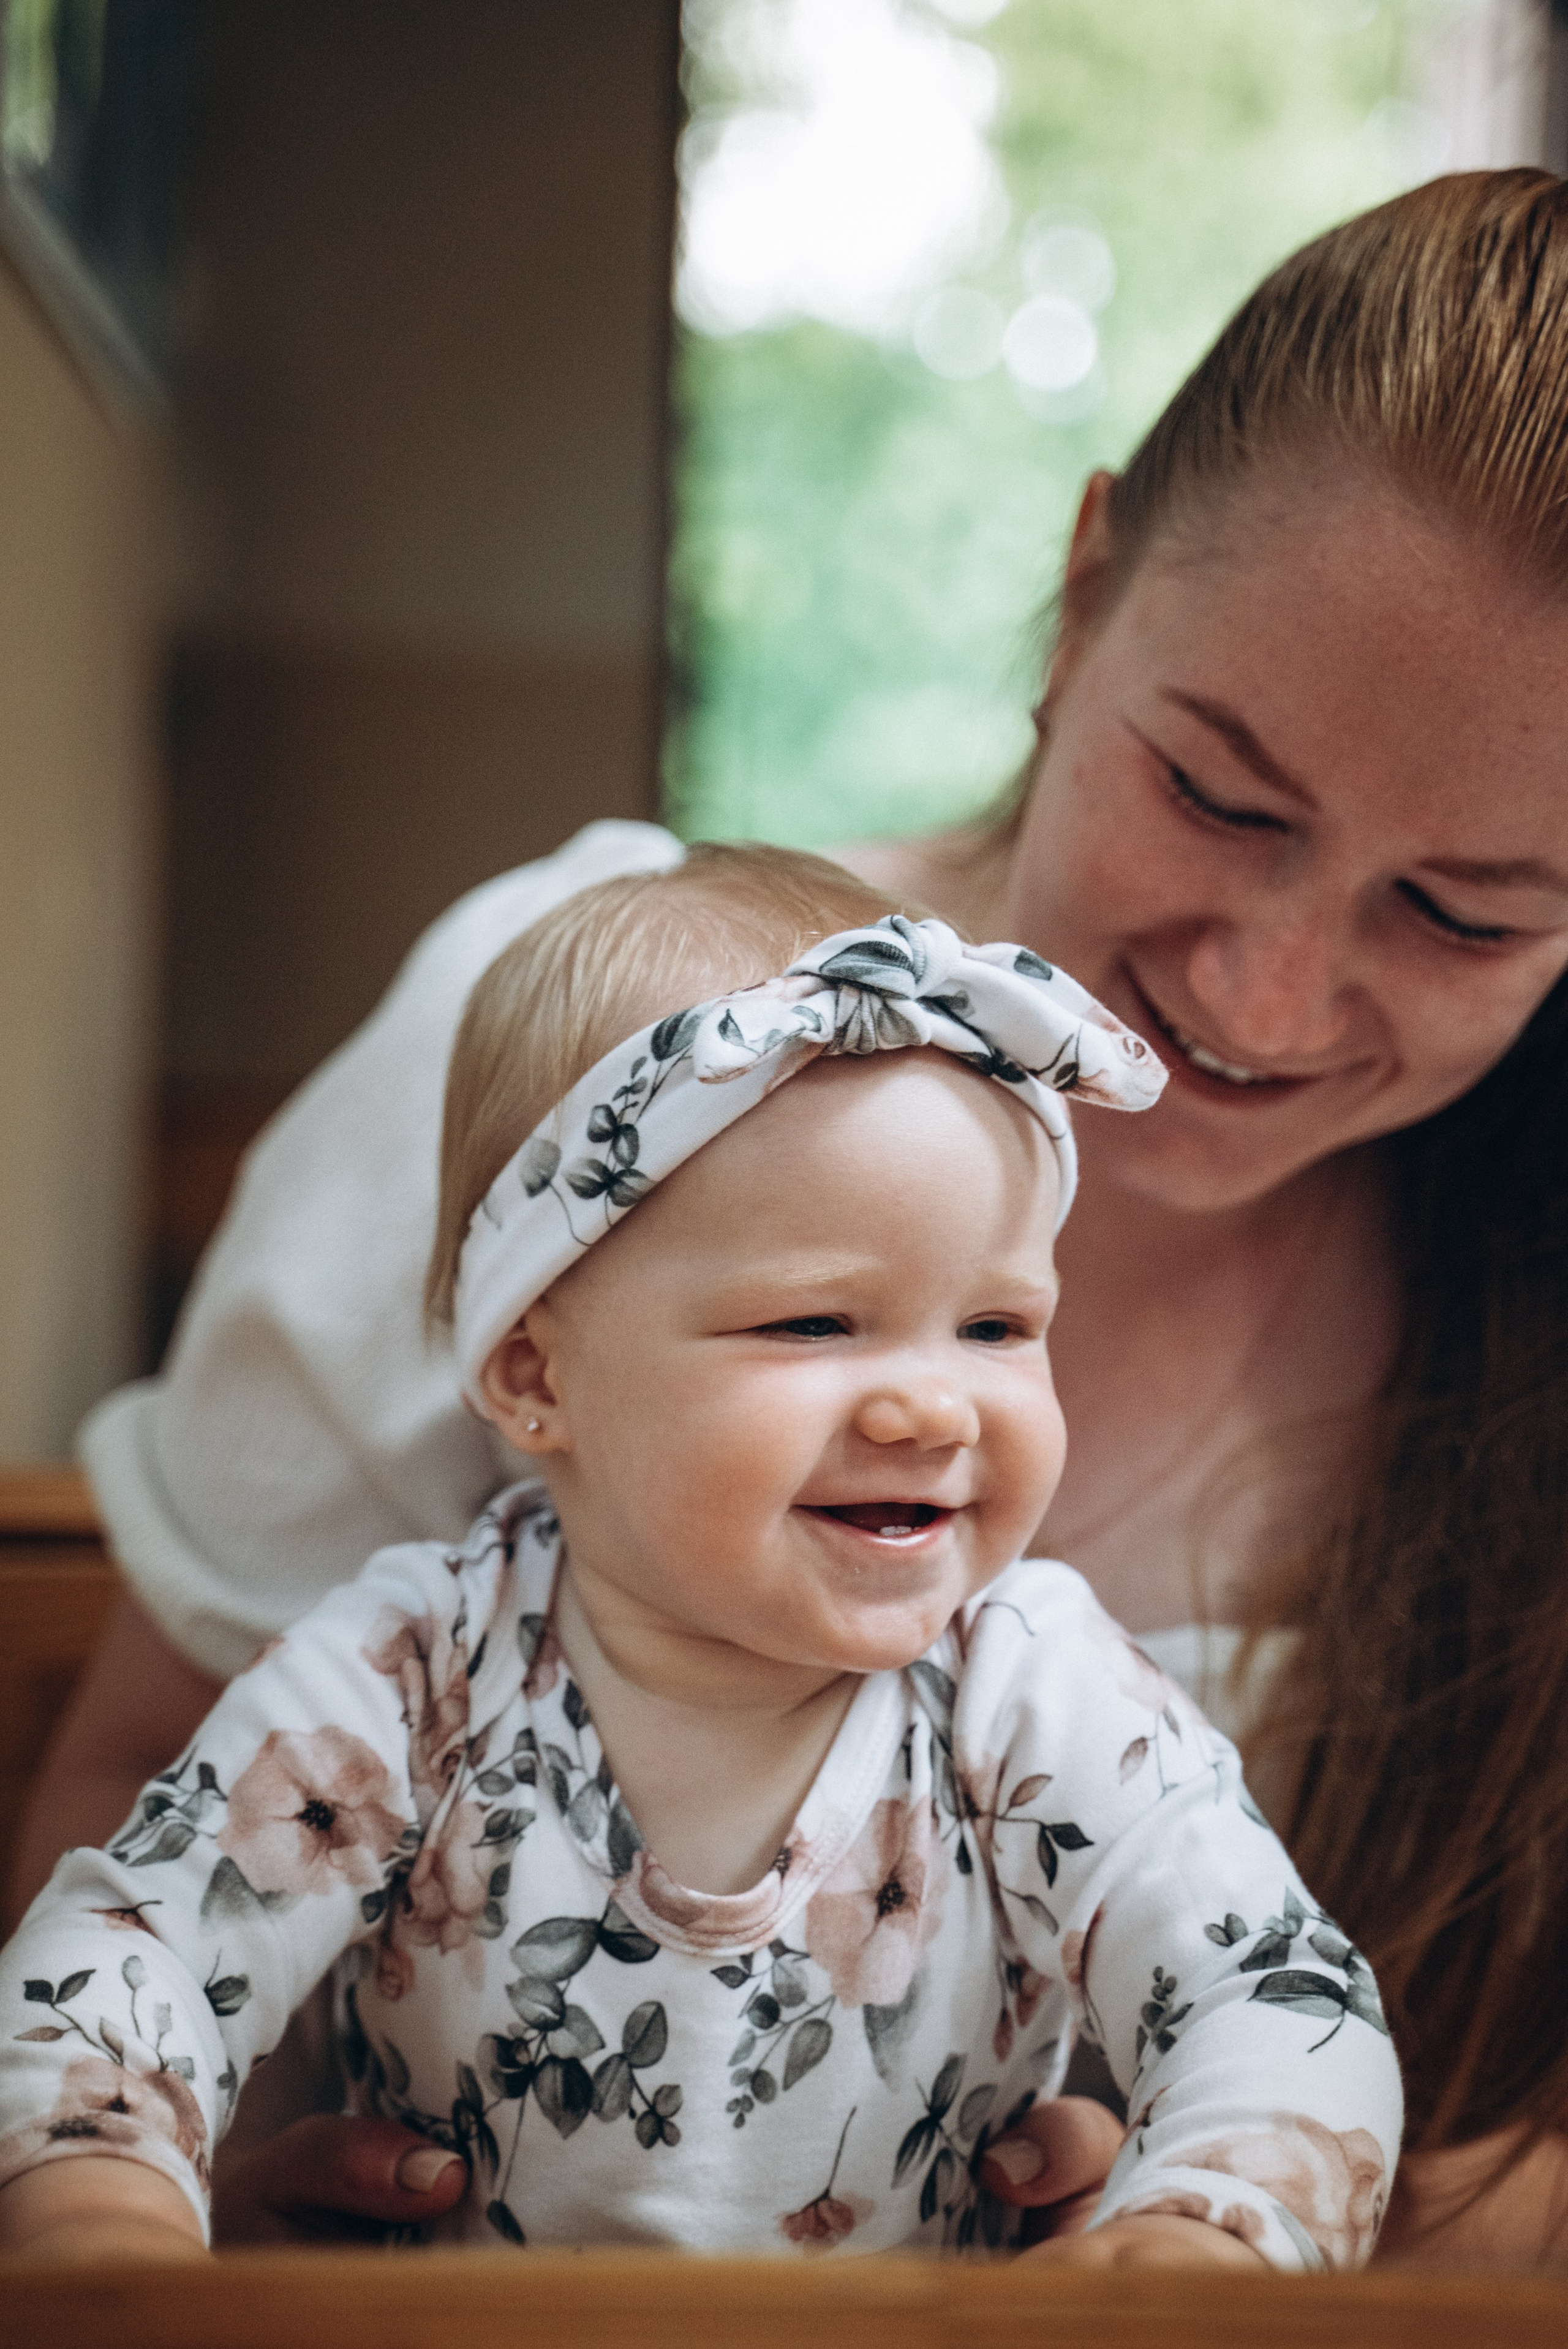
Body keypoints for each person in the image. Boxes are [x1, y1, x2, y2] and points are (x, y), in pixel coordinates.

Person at [10, 167, 1568, 2260]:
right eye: (1216, 792)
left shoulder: (1045, 1680)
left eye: (1463, 912)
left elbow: (1290, 2025)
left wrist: (1204, 2229)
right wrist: (174, 2208)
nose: (1267, 994)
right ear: (1085, 590)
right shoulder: (591, 1060)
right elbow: (132, 1887)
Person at [0, 857, 1403, 2267]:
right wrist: (101, 2201)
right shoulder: (411, 1674)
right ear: (538, 1373)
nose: (932, 1406)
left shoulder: (1031, 1689)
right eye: (811, 1323)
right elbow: (138, 1947)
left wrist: (1209, 2232)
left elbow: (1268, 1990)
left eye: (994, 1326)